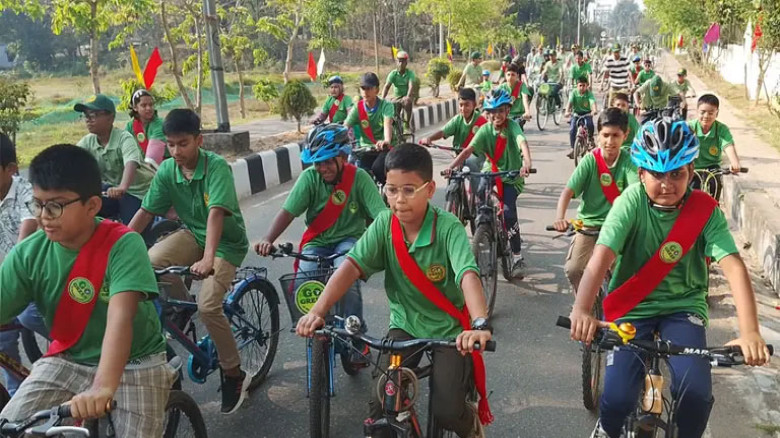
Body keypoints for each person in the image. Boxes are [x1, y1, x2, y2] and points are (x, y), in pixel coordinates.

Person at [568, 118, 770, 438]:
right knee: (617, 400)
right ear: (641, 174)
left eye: (676, 173)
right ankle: (607, 429)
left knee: (696, 396)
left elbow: (733, 266)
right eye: (657, 174)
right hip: (632, 308)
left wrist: (749, 332)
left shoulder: (705, 210)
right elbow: (600, 259)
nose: (667, 183)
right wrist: (581, 310)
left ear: (691, 171)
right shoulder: (630, 203)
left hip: (683, 308)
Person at [296, 144, 494, 438]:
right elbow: (349, 267)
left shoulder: (448, 227)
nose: (399, 200)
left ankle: (472, 428)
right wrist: (317, 311)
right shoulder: (383, 225)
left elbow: (467, 274)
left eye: (409, 190)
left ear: (429, 190)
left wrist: (478, 324)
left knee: (448, 410)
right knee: (381, 407)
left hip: (450, 331)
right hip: (405, 326)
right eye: (391, 190)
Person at [0, 144, 174, 436]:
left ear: (92, 206)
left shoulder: (123, 244)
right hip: (68, 357)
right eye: (38, 204)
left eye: (55, 205)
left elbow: (121, 318)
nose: (44, 216)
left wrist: (103, 386)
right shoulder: (29, 253)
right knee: (8, 428)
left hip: (136, 362)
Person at [127, 109, 250, 414]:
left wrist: (209, 259)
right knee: (151, 262)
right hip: (192, 234)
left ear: (199, 140)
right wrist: (117, 247)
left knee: (209, 306)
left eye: (183, 144)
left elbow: (216, 214)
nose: (176, 151)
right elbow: (145, 212)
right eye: (170, 144)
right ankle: (181, 308)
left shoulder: (216, 167)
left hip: (225, 244)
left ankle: (234, 373)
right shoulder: (168, 170)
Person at [254, 124, 386, 363]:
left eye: (327, 161)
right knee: (305, 277)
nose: (322, 168)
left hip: (349, 240)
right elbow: (288, 212)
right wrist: (267, 239)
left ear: (342, 157)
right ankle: (315, 323)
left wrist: (390, 243)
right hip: (317, 242)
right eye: (317, 162)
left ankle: (356, 336)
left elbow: (381, 217)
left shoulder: (360, 178)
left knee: (345, 275)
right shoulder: (309, 178)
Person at [444, 88, 533, 278]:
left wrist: (527, 164)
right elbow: (468, 151)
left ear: (508, 111)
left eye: (501, 111)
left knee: (508, 214)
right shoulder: (485, 130)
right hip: (489, 174)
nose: (496, 116)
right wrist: (451, 167)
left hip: (510, 177)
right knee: (480, 204)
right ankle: (485, 230)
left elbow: (522, 143)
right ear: (487, 113)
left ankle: (517, 257)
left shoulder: (513, 127)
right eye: (492, 112)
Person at [552, 108, 638, 291]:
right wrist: (560, 217)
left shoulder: (629, 162)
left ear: (626, 135)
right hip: (588, 226)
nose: (609, 141)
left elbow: (636, 192)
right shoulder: (590, 161)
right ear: (598, 135)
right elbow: (567, 192)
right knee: (574, 269)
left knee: (624, 276)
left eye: (616, 135)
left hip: (618, 227)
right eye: (605, 135)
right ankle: (585, 310)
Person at [0, 133, 46, 397]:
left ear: (11, 169)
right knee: (4, 342)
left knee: (29, 315)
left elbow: (27, 230)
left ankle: (79, 350)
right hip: (7, 283)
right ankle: (16, 393)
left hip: (33, 279)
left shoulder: (27, 193)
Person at [74, 94, 155, 225]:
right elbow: (72, 159)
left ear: (110, 117)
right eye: (86, 116)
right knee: (84, 207)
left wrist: (122, 187)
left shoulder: (124, 138)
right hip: (112, 190)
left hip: (139, 192)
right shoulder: (88, 141)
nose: (88, 120)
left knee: (132, 228)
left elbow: (131, 163)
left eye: (93, 115)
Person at [419, 87, 489, 190]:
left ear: (474, 105)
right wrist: (429, 139)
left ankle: (479, 196)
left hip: (477, 156)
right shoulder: (457, 119)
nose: (463, 109)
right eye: (461, 105)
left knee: (470, 164)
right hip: (459, 156)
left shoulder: (481, 121)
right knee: (452, 174)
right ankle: (452, 200)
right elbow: (443, 132)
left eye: (467, 105)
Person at [344, 72, 395, 185]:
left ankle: (389, 194)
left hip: (384, 149)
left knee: (377, 168)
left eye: (369, 88)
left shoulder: (386, 106)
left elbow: (388, 124)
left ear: (376, 90)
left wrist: (386, 140)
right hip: (365, 150)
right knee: (357, 174)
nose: (365, 92)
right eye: (363, 88)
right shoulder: (358, 108)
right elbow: (345, 127)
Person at [688, 94, 741, 200]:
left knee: (715, 187)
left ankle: (714, 211)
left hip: (712, 168)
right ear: (697, 112)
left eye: (711, 113)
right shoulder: (690, 127)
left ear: (717, 113)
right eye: (702, 112)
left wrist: (735, 163)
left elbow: (728, 145)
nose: (706, 116)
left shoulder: (721, 129)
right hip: (692, 168)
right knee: (689, 195)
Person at [124, 89, 167, 165]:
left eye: (151, 105)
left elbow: (153, 159)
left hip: (161, 167)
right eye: (144, 105)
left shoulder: (160, 124)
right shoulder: (130, 126)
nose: (148, 108)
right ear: (135, 108)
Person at [564, 76, 599, 158]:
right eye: (580, 85)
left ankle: (590, 139)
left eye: (584, 85)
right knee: (572, 129)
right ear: (577, 86)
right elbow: (570, 103)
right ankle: (573, 148)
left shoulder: (589, 94)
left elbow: (592, 102)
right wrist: (567, 111)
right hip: (576, 113)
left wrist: (594, 110)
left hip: (587, 113)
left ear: (587, 86)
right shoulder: (574, 93)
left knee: (590, 125)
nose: (582, 88)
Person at [382, 51, 416, 133]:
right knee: (392, 111)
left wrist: (408, 96)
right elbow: (386, 87)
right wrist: (382, 99)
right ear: (396, 62)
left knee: (407, 102)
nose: (401, 64)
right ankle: (395, 127)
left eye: (403, 61)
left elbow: (411, 86)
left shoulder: (410, 74)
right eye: (399, 61)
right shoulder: (393, 74)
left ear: (406, 63)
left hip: (406, 97)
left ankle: (407, 124)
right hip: (396, 98)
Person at [497, 63, 532, 127]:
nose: (510, 77)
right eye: (508, 74)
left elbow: (525, 97)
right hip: (505, 116)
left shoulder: (521, 85)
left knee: (517, 132)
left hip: (519, 116)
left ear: (517, 76)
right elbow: (496, 100)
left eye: (513, 75)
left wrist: (527, 111)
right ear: (505, 75)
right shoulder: (502, 87)